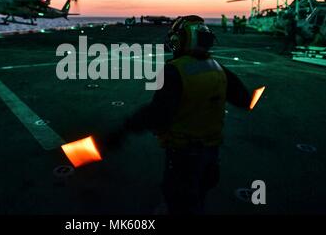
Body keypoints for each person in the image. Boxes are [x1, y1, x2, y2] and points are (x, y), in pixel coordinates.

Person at [104, 15, 252, 214]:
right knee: (199, 196)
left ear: (180, 40)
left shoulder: (175, 71)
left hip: (184, 154)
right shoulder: (217, 68)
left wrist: (123, 129)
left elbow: (158, 114)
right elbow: (244, 100)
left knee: (179, 201)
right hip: (211, 151)